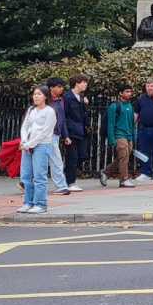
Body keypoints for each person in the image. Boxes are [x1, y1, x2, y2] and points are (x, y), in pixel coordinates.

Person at [17, 85, 57, 214]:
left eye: (39, 94)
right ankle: (28, 202)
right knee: (26, 176)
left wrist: (30, 144)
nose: (36, 96)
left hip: (41, 145)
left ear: (45, 96)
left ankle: (40, 204)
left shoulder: (49, 111)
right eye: (34, 94)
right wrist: (24, 141)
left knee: (40, 176)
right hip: (27, 145)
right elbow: (25, 127)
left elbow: (45, 132)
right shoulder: (31, 110)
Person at [44, 78, 77, 195]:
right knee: (55, 160)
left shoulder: (60, 101)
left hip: (55, 134)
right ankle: (61, 185)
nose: (61, 89)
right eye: (59, 86)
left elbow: (62, 119)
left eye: (62, 87)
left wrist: (65, 135)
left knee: (53, 160)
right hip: (46, 134)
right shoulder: (45, 100)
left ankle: (61, 185)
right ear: (51, 88)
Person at [102, 86, 138, 187]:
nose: (129, 93)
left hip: (128, 136)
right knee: (123, 157)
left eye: (130, 91)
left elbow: (132, 123)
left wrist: (132, 137)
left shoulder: (130, 106)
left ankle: (106, 172)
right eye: (127, 91)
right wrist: (112, 139)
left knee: (123, 157)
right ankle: (124, 179)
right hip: (119, 135)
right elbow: (110, 124)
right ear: (120, 93)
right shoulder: (114, 106)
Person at [61, 75, 91, 187]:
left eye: (86, 83)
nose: (85, 85)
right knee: (72, 157)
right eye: (83, 82)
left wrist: (85, 104)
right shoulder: (67, 97)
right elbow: (65, 115)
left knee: (82, 155)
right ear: (77, 83)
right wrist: (65, 134)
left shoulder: (82, 97)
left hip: (82, 131)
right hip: (71, 131)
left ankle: (66, 176)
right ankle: (70, 182)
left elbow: (83, 114)